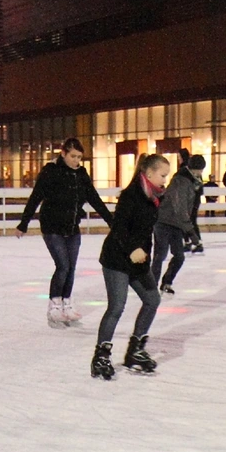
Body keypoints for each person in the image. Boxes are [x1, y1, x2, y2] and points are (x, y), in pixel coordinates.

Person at [16, 138, 115, 328]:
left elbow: (94, 199)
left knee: (71, 267)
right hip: (52, 226)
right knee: (62, 265)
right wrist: (23, 223)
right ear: (63, 153)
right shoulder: (51, 171)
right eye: (73, 156)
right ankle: (54, 305)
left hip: (72, 227)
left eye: (79, 157)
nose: (76, 161)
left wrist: (111, 221)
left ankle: (66, 303)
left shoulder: (81, 174)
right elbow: (36, 197)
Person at [91, 153, 171, 380]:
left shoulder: (154, 197)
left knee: (152, 300)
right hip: (117, 259)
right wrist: (133, 249)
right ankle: (101, 357)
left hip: (138, 261)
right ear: (148, 173)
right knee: (117, 306)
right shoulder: (131, 195)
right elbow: (119, 228)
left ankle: (135, 351)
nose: (165, 180)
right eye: (162, 175)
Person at [151, 152, 203, 295]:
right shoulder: (181, 181)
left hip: (176, 224)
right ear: (195, 169)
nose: (201, 173)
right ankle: (151, 286)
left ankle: (167, 281)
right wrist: (191, 232)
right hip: (164, 221)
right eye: (200, 170)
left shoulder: (193, 181)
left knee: (179, 256)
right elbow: (180, 208)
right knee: (160, 255)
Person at [186, 154, 208, 254]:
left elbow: (198, 189)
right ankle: (190, 242)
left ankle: (195, 243)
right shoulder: (189, 172)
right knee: (189, 221)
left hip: (192, 201)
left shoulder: (193, 173)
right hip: (191, 200)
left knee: (190, 222)